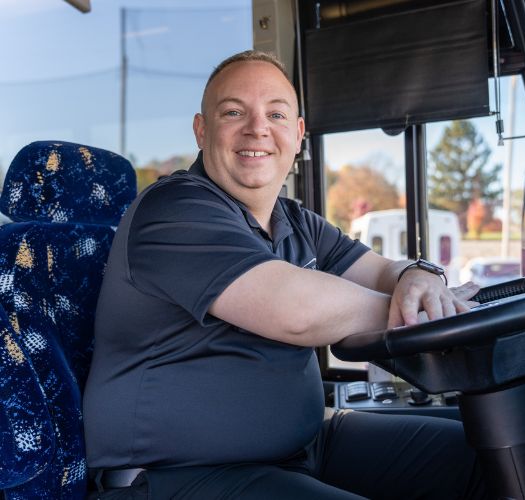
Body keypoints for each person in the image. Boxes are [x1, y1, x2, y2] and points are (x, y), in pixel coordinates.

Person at [83, 50, 486, 499]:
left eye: (275, 113)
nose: (257, 128)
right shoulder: (174, 209)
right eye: (234, 112)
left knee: (490, 459)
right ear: (202, 130)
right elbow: (294, 310)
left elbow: (382, 272)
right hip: (180, 476)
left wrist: (420, 276)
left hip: (304, 448)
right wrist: (423, 312)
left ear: (297, 135)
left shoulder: (293, 219)